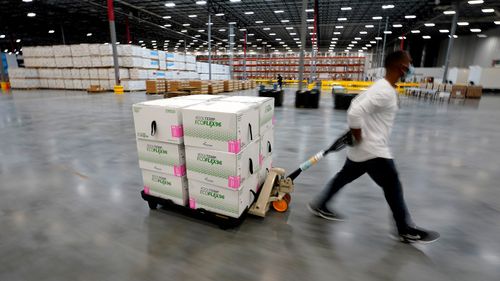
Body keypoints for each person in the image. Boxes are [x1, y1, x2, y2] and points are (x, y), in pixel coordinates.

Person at [308, 50, 437, 243]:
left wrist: (358, 137)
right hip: (373, 150)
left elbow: (356, 103)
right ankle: (404, 228)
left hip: (363, 150)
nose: (411, 67)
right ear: (401, 67)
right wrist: (359, 136)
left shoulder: (383, 87)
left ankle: (321, 204)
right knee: (393, 185)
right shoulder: (384, 90)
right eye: (409, 64)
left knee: (344, 177)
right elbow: (354, 112)